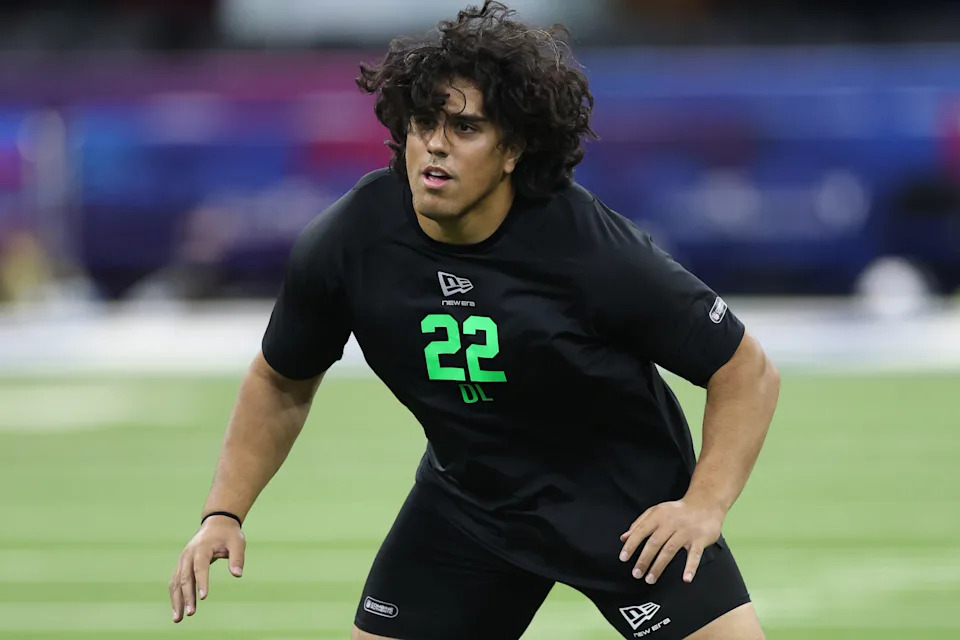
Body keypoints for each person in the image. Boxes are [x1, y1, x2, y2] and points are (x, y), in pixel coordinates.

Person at [168, 2, 781, 638]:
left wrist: (703, 504)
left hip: (623, 509)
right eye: (423, 122)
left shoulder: (589, 249)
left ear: (512, 148)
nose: (435, 143)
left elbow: (746, 370)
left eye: (465, 127)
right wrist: (223, 514)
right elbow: (280, 380)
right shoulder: (351, 241)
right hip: (471, 505)